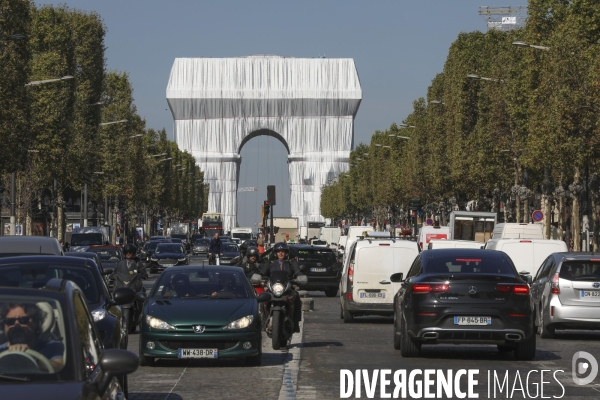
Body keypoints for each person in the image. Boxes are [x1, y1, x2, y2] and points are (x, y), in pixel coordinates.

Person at [0, 303, 64, 371]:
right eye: (10, 321)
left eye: (23, 320)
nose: (16, 325)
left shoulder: (53, 346)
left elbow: (59, 367)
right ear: (4, 325)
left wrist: (31, 357)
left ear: (36, 322)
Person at [263, 242, 303, 333]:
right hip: (273, 287)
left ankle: (296, 323)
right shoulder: (270, 263)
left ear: (286, 253)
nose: (280, 253)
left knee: (297, 298)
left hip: (288, 288)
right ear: (275, 253)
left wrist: (299, 279)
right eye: (278, 251)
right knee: (263, 299)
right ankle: (263, 321)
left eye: (283, 251)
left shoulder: (291, 262)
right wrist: (259, 277)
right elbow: (262, 273)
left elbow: (298, 273)